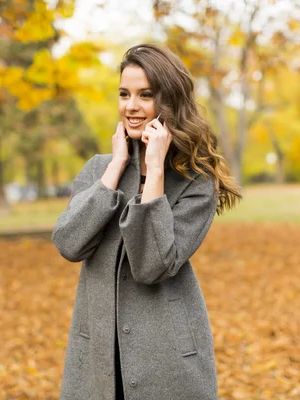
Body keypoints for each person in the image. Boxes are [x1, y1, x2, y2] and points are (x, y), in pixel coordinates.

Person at [52, 43, 242, 400]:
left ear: (168, 101)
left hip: (168, 362)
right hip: (97, 360)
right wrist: (114, 170)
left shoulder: (195, 182)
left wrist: (154, 172)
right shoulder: (99, 168)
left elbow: (151, 266)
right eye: (124, 94)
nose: (131, 106)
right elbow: (68, 243)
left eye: (146, 95)